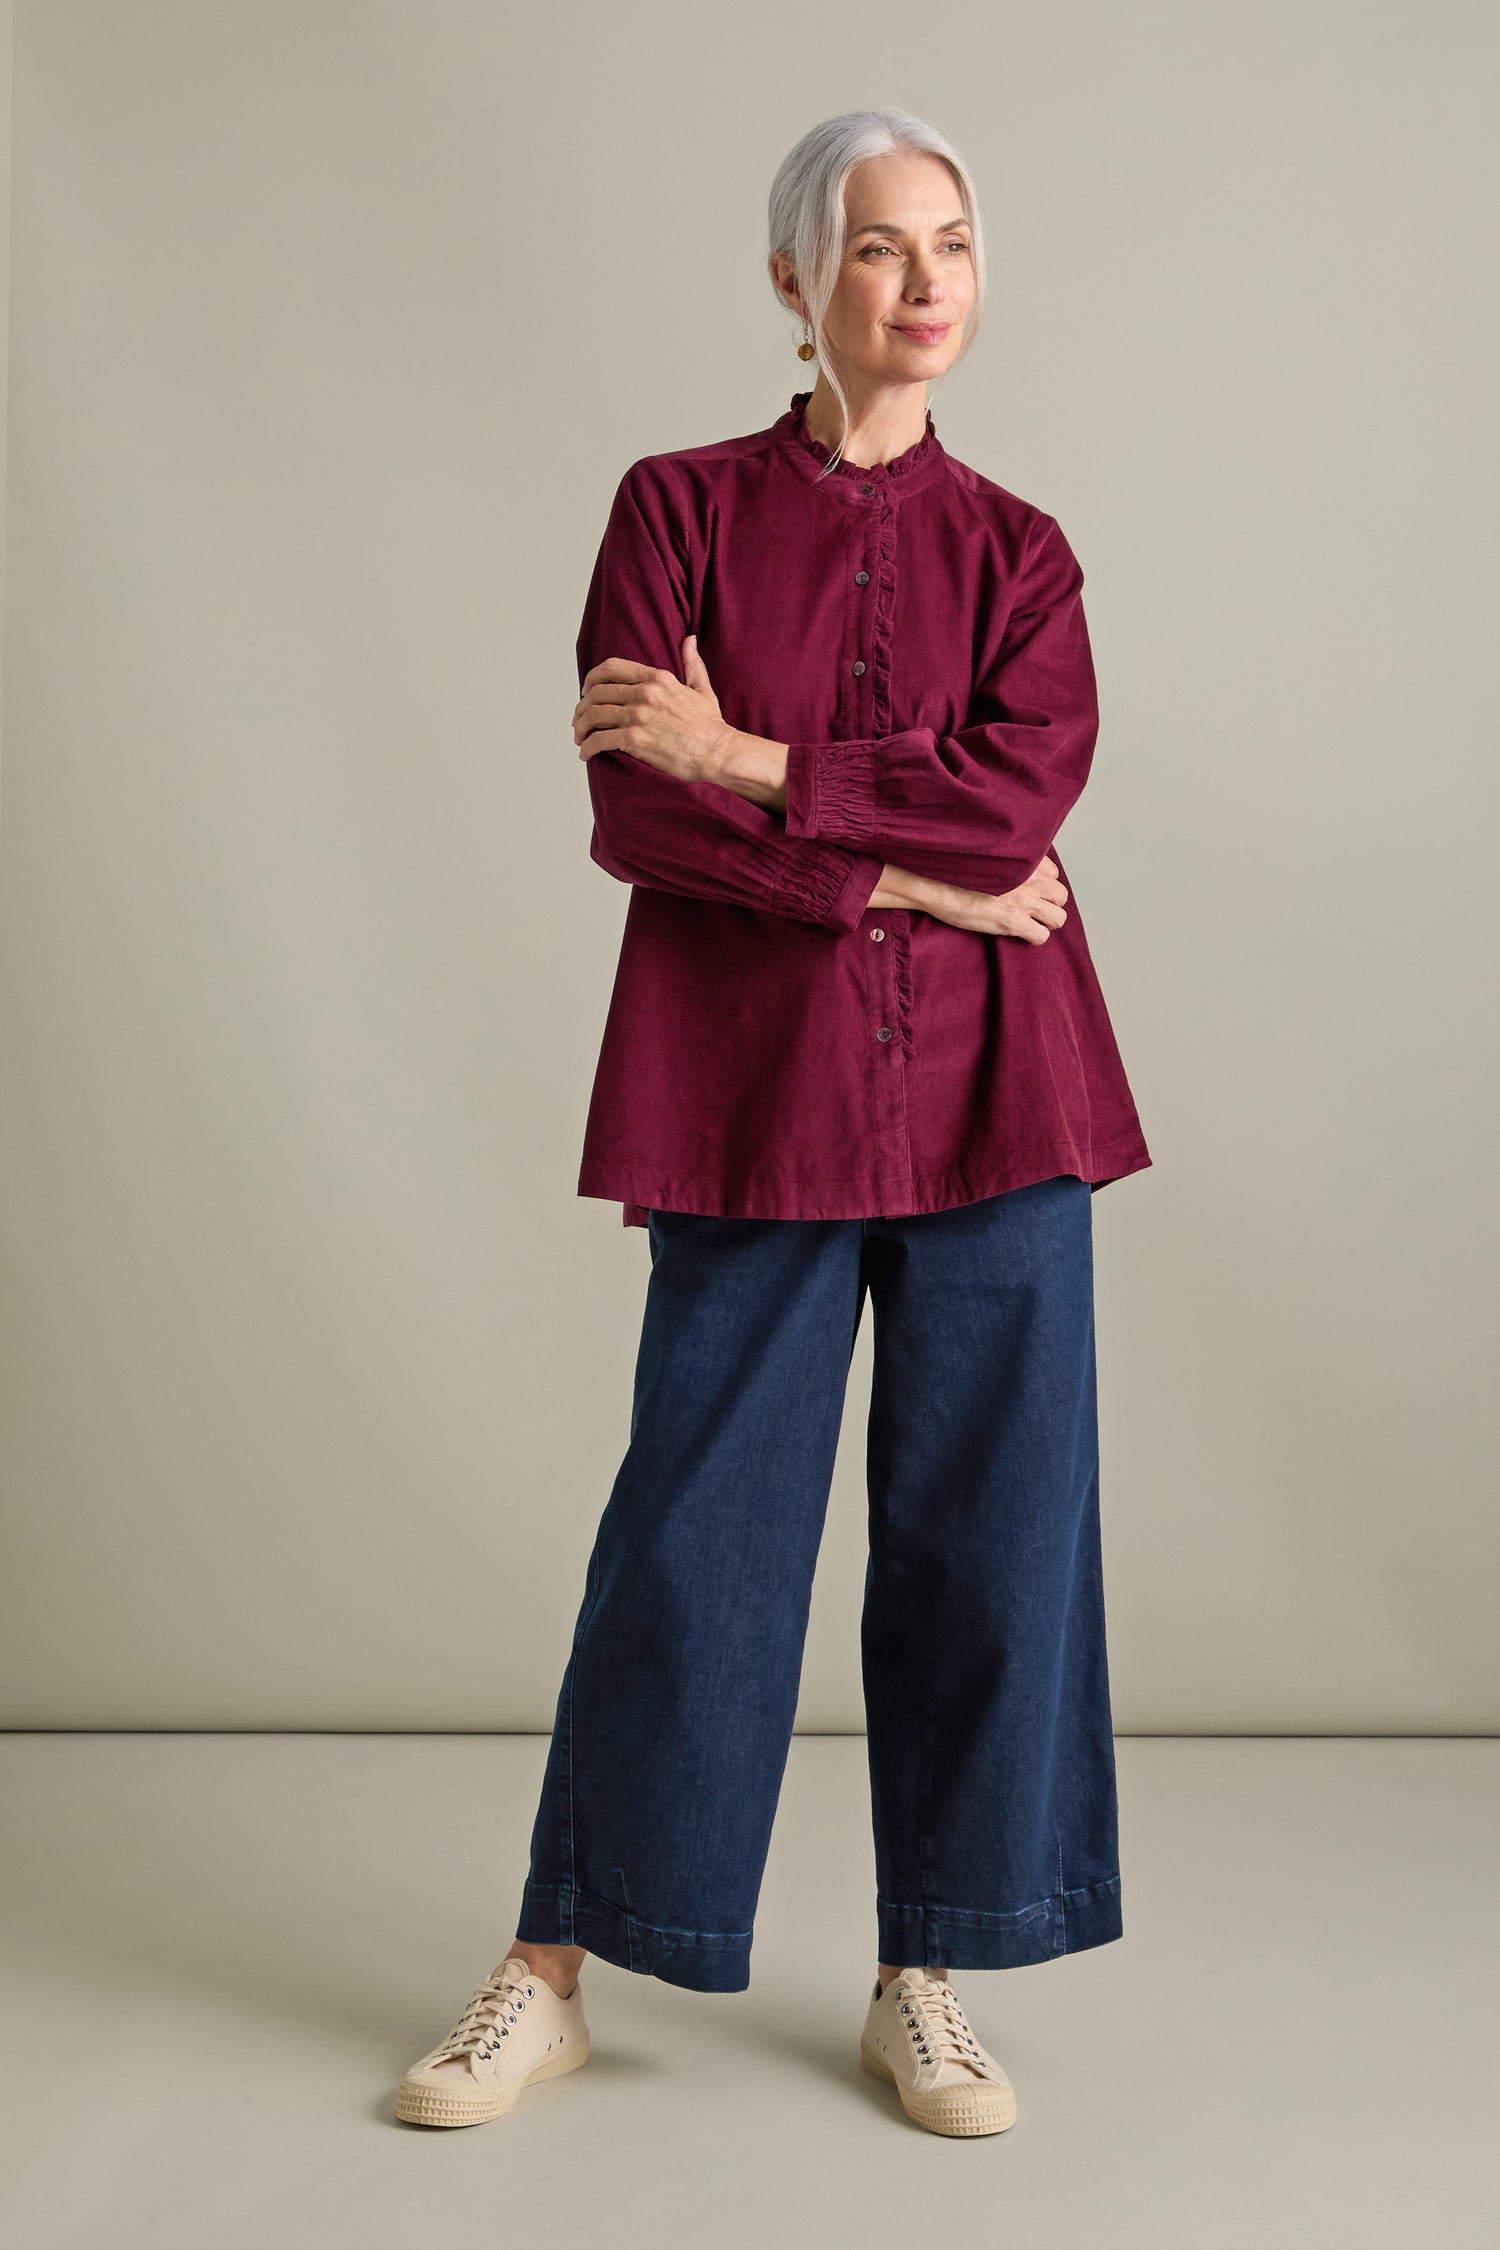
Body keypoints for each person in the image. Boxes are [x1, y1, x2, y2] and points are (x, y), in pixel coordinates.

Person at [396, 106, 1151, 2141]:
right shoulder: (674, 510)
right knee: (694, 1534)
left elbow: (1021, 806)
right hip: (750, 1088)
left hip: (1009, 1092)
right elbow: (636, 810)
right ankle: (554, 1965)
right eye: (883, 249)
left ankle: (933, 1963)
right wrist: (898, 871)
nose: (925, 286)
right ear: (790, 280)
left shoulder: (1026, 554)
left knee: (991, 1538)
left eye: (957, 248)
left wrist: (756, 752)